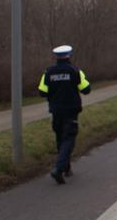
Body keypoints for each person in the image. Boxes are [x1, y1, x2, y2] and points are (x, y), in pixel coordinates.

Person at [38, 45, 91, 184]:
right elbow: (86, 89)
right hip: (71, 110)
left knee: (60, 138)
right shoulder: (75, 71)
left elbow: (42, 92)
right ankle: (58, 169)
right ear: (69, 55)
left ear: (56, 57)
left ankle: (66, 168)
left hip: (56, 110)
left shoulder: (48, 72)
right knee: (69, 139)